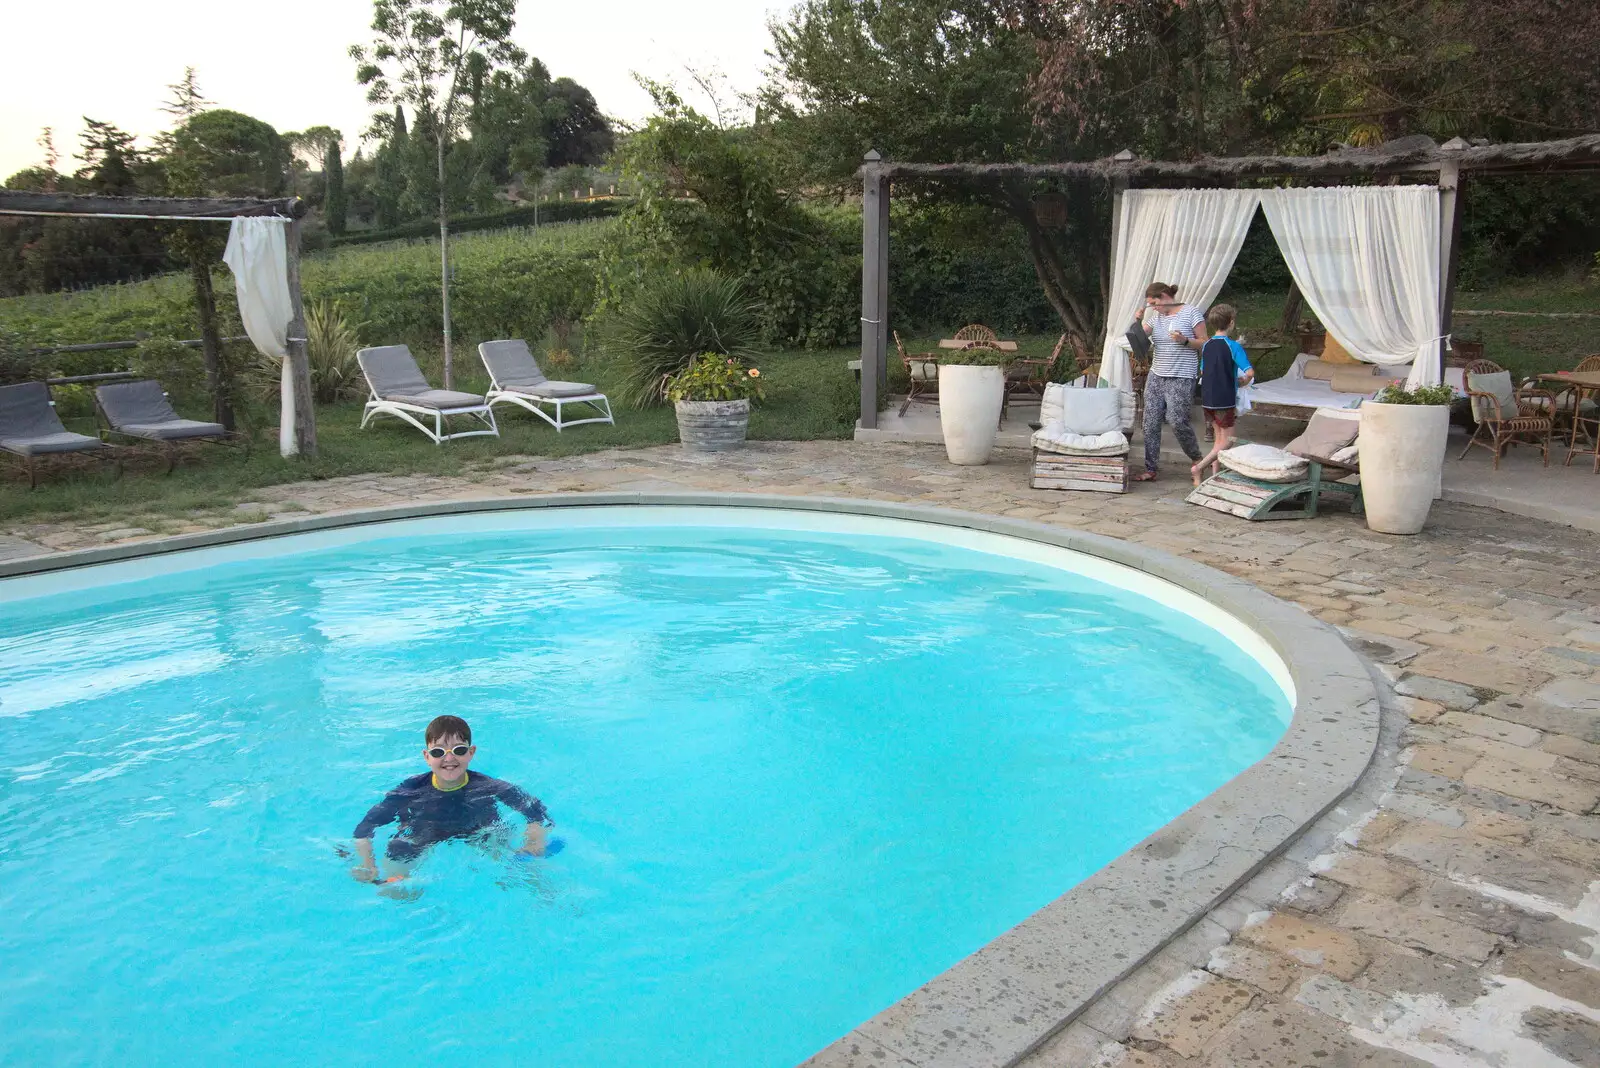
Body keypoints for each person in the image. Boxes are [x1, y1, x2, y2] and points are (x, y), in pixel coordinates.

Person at [350, 715, 551, 886]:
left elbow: (537, 812)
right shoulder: (411, 789)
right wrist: (367, 864)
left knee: (520, 872)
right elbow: (364, 828)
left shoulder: (488, 786)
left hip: (479, 828)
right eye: (438, 752)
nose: (449, 759)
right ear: (427, 756)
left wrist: (535, 841)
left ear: (471, 753)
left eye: (459, 750)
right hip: (425, 831)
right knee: (396, 880)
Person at [1132, 282, 1208, 482]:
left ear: (1165, 296)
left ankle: (1197, 460)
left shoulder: (1191, 313)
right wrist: (1138, 322)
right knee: (1150, 422)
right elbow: (1140, 340)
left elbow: (1205, 342)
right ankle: (1150, 468)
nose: (1153, 308)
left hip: (1182, 376)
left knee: (1176, 420)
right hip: (1157, 375)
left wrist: (1185, 341)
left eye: (1154, 303)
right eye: (1149, 305)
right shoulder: (1156, 318)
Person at [1191, 304, 1256, 485]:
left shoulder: (1206, 345)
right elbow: (1249, 372)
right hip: (1224, 399)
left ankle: (1215, 476)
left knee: (1219, 438)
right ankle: (1199, 468)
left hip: (1207, 400)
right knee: (1228, 440)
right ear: (1231, 323)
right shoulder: (1233, 346)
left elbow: (1204, 372)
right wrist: (1240, 382)